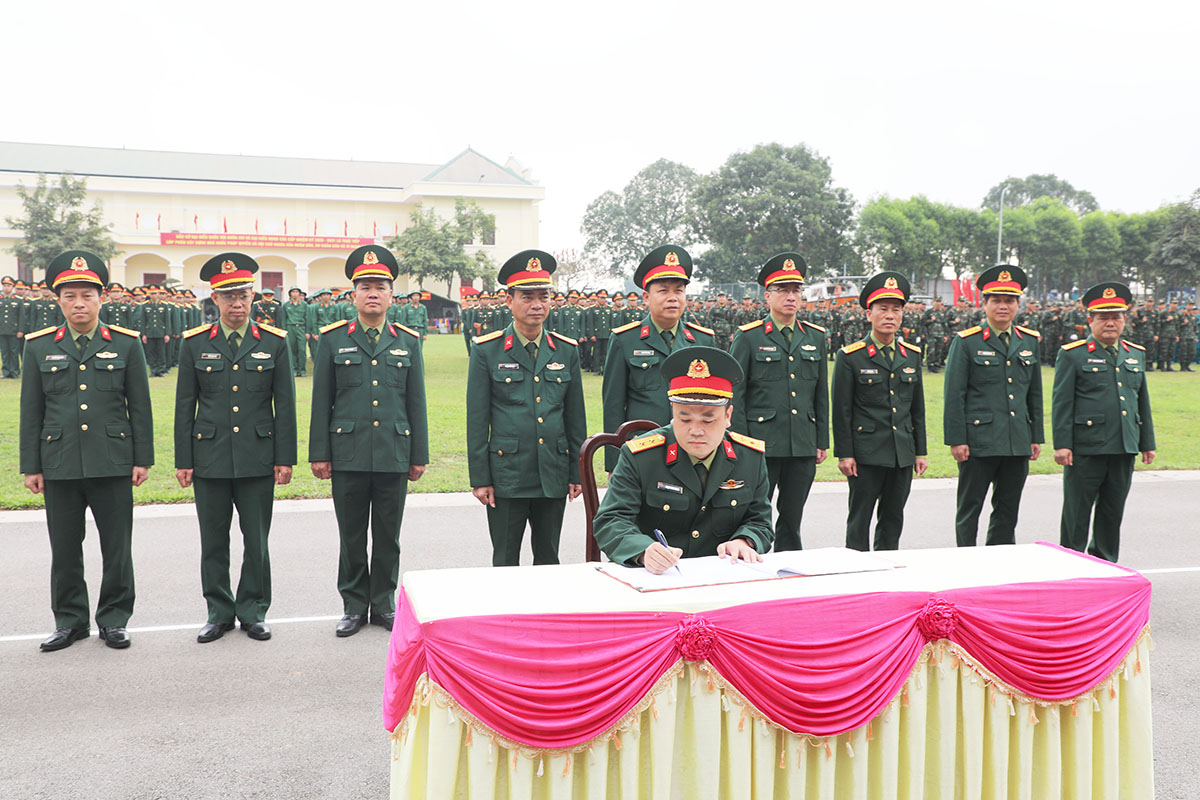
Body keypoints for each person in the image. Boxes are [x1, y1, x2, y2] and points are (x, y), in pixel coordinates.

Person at [19, 250, 153, 651]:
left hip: (112, 461)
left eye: (87, 296)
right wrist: (32, 466)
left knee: (116, 547)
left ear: (102, 299)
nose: (79, 303)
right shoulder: (38, 347)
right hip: (59, 463)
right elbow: (31, 411)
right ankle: (70, 620)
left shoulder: (126, 346)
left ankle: (114, 618)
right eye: (71, 295)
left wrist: (141, 458)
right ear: (58, 300)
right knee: (64, 549)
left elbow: (140, 406)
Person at [174, 253, 296, 643]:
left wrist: (285, 458)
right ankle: (219, 612)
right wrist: (184, 460)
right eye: (228, 297)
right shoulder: (195, 344)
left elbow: (286, 406)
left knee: (256, 541)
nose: (237, 303)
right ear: (214, 300)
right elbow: (183, 407)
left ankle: (254, 609)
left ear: (254, 296)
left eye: (243, 295)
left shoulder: (274, 343)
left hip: (257, 456)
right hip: (208, 457)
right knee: (213, 541)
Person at [309, 246, 429, 636]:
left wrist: (419, 455)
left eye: (380, 286)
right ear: (353, 295)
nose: (372, 293)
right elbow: (321, 401)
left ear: (391, 294)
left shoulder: (408, 341)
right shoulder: (331, 341)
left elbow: (417, 402)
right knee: (352, 535)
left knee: (388, 536)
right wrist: (320, 454)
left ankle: (383, 604)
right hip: (348, 453)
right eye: (365, 286)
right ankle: (353, 605)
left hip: (394, 451)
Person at [593, 347, 773, 572]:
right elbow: (611, 520)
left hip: (723, 575)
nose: (696, 431)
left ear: (728, 416)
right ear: (672, 413)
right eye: (685, 419)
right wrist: (643, 551)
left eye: (708, 421)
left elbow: (760, 521)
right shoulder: (641, 456)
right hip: (655, 578)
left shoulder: (749, 457)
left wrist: (744, 541)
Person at [466, 250, 586, 566]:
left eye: (544, 296)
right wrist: (481, 478)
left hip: (552, 472)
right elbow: (477, 419)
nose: (537, 304)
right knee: (505, 558)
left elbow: (575, 418)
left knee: (549, 557)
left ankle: (545, 616)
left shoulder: (566, 350)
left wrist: (577, 471)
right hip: (508, 475)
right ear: (510, 301)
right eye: (527, 296)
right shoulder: (487, 350)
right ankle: (507, 617)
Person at [730, 253, 828, 551]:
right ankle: (754, 563)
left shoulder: (815, 337)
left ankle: (790, 568)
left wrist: (820, 440)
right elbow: (737, 394)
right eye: (783, 290)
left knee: (792, 515)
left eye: (796, 290)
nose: (791, 296)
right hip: (761, 443)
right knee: (757, 513)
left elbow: (820, 393)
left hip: (801, 442)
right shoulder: (748, 337)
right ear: (768, 296)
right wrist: (740, 442)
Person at [1052, 282, 1155, 563]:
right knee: (1077, 512)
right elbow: (1062, 403)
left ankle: (1106, 563)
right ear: (1090, 320)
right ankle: (1071, 564)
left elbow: (1140, 401)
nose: (1110, 323)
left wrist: (1146, 442)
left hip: (1124, 446)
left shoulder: (1135, 353)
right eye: (1103, 317)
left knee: (1112, 511)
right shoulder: (1073, 354)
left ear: (1125, 319)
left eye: (1116, 317)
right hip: (1086, 448)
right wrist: (1062, 445)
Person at [943, 266, 1044, 547]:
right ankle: (966, 561)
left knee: (1008, 510)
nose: (1003, 306)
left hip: (1016, 440)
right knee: (970, 509)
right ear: (984, 303)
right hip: (979, 441)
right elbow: (954, 395)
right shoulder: (967, 342)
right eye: (996, 300)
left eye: (1009, 300)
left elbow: (1033, 393)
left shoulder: (1029, 341)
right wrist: (957, 440)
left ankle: (1000, 562)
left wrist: (1035, 436)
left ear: (1017, 304)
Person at [832, 272, 928, 551]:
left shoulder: (911, 355)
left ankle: (887, 569)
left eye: (896, 309)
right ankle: (856, 571)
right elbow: (842, 411)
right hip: (866, 453)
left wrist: (919, 451)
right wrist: (845, 454)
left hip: (901, 452)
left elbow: (917, 409)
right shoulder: (851, 356)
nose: (890, 315)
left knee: (893, 517)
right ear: (868, 313)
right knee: (859, 518)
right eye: (883, 309)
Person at [601, 245, 715, 471]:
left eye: (679, 291)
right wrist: (616, 463)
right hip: (642, 448)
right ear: (646, 297)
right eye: (663, 291)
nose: (672, 298)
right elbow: (613, 406)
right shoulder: (625, 340)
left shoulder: (703, 340)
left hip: (691, 448)